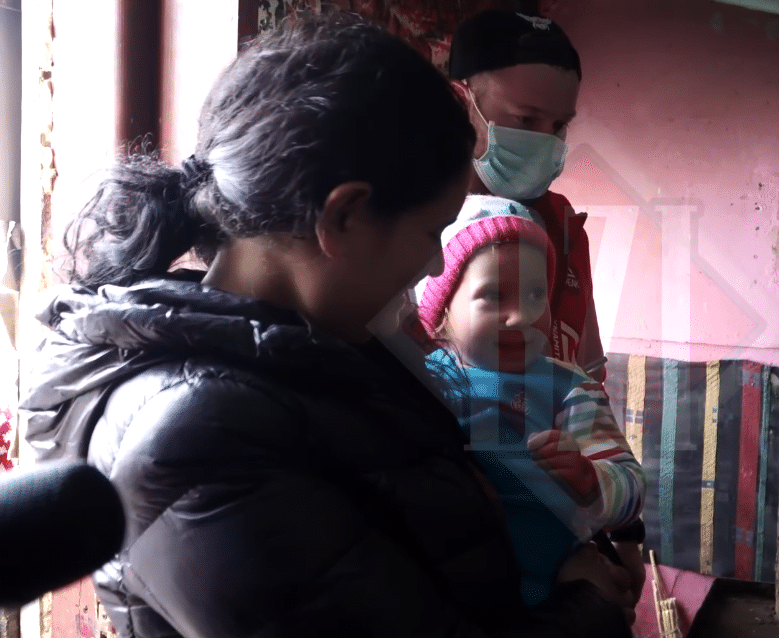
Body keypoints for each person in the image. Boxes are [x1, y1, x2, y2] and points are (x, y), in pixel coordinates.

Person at [20, 13, 635, 638]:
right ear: (343, 218)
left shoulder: (335, 350)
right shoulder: (200, 438)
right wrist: (587, 606)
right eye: (432, 233)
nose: (435, 265)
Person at [444, 8, 649, 597]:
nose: (546, 142)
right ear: (463, 103)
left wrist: (625, 539)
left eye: (559, 126)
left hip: (566, 532)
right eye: (526, 119)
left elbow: (588, 390)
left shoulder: (560, 231)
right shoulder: (415, 236)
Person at [417, 194, 645, 609]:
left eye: (536, 294)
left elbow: (630, 486)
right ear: (444, 305)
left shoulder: (568, 388)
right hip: (456, 589)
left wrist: (591, 480)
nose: (521, 316)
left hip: (558, 591)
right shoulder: (423, 380)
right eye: (493, 295)